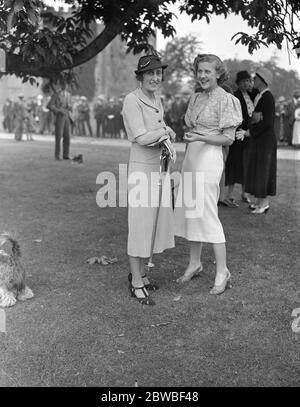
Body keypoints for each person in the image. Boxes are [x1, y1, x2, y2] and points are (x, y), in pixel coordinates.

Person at [174, 54, 242, 295]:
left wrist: (201, 136)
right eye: (199, 71)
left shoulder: (227, 99)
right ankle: (195, 263)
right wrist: (193, 138)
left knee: (207, 213)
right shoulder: (195, 97)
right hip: (192, 157)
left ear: (217, 74)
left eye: (207, 72)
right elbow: (191, 127)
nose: (202, 75)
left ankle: (222, 270)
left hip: (209, 159)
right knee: (191, 211)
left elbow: (228, 138)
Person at [122, 54, 176, 306]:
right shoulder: (132, 100)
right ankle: (135, 282)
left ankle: (141, 273)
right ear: (140, 77)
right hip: (141, 169)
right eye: (150, 73)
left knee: (153, 225)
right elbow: (142, 137)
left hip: (158, 168)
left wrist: (164, 135)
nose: (155, 78)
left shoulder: (156, 99)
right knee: (140, 225)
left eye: (158, 73)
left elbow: (157, 131)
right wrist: (165, 131)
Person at [244, 67, 277, 214]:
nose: (253, 81)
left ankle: (264, 204)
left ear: (262, 80)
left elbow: (268, 122)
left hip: (266, 140)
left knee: (264, 170)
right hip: (260, 139)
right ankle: (259, 202)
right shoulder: (260, 95)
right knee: (258, 169)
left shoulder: (268, 97)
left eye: (255, 78)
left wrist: (251, 130)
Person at [224, 70, 255, 206]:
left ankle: (244, 193)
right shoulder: (234, 96)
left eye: (248, 81)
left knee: (247, 164)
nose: (245, 84)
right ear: (238, 83)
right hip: (237, 135)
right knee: (233, 163)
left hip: (248, 135)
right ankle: (228, 195)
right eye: (243, 82)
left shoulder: (253, 95)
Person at [47, 82, 72, 160]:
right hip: (59, 117)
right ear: (61, 85)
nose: (65, 85)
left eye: (66, 84)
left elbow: (69, 105)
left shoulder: (68, 95)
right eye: (63, 84)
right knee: (58, 136)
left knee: (67, 136)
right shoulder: (56, 94)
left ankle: (66, 155)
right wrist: (58, 110)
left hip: (67, 116)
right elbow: (49, 105)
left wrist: (70, 107)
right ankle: (57, 155)